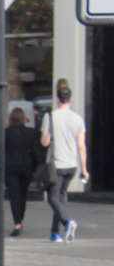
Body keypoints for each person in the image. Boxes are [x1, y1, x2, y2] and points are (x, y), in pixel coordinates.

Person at [40, 81, 89, 242]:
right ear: (71, 99)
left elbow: (44, 142)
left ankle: (68, 222)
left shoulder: (50, 116)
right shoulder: (78, 119)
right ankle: (55, 232)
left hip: (56, 165)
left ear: (57, 99)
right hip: (72, 166)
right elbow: (81, 146)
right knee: (60, 197)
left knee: (52, 198)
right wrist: (84, 168)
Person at [3, 107, 42, 237]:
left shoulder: (6, 132)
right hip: (26, 168)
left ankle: (17, 223)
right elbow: (36, 152)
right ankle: (20, 219)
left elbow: (0, 151)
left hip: (10, 168)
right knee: (22, 195)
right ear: (23, 118)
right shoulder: (31, 133)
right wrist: (39, 166)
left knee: (14, 196)